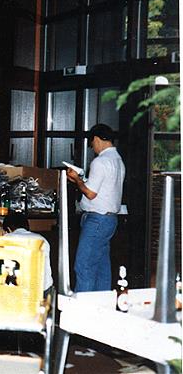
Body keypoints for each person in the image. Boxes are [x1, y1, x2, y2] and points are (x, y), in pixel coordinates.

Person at [67, 123, 125, 292]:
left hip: (97, 220)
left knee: (84, 266)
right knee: (101, 269)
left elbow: (91, 194)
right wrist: (80, 181)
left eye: (92, 143)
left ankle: (83, 307)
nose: (93, 148)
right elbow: (102, 189)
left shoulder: (100, 161)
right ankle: (102, 305)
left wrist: (77, 180)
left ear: (97, 139)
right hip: (109, 220)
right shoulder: (118, 161)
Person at [2, 212, 53, 296]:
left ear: (8, 229)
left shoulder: (7, 238)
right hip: (43, 290)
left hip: (18, 292)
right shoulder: (42, 239)